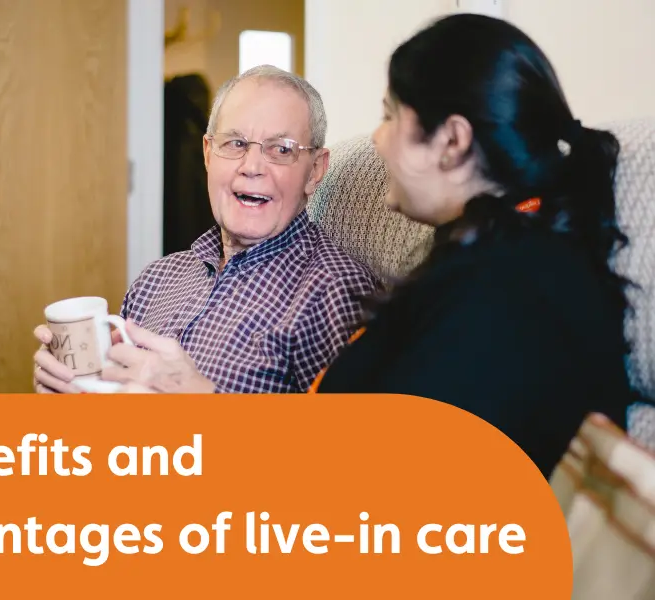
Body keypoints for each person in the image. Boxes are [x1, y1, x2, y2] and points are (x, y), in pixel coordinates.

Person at [311, 14, 639, 477]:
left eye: (389, 115)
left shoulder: (507, 294)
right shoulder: (497, 261)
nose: (377, 139)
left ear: (451, 141)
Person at [33, 65, 380, 394]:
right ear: (208, 154)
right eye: (236, 143)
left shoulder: (338, 293)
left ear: (316, 170)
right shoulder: (156, 278)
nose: (252, 167)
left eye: (281, 149)